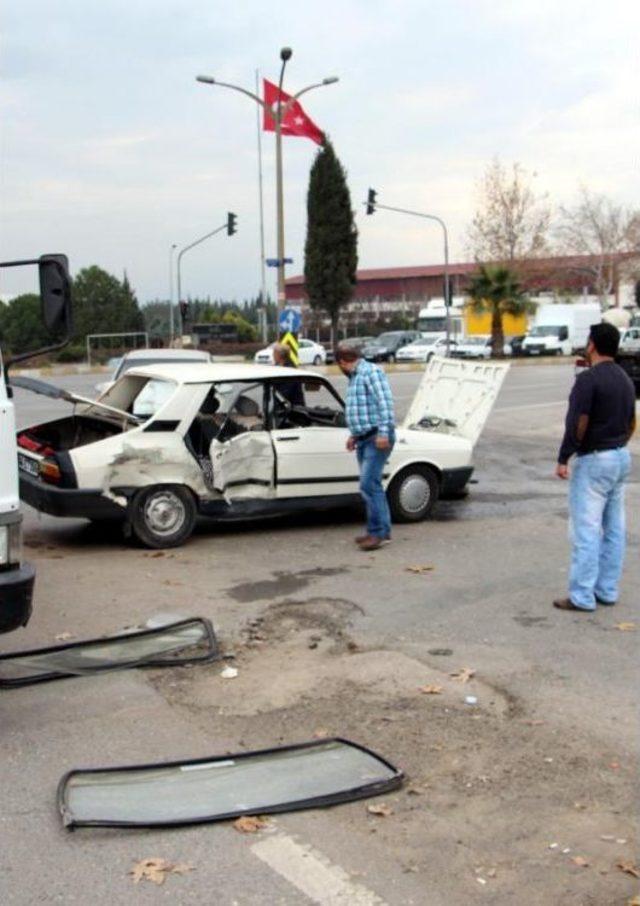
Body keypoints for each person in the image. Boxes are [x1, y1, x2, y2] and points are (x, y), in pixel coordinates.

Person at [553, 322, 635, 612]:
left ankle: (582, 596)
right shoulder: (625, 379)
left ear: (591, 346)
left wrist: (565, 457)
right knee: (614, 528)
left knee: (586, 531)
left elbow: (578, 421)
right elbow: (631, 422)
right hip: (620, 456)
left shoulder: (588, 380)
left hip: (595, 460)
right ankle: (607, 590)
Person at [336, 343, 396, 551]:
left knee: (368, 485)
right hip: (364, 438)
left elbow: (385, 403)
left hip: (376, 438)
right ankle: (381, 531)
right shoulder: (355, 377)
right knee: (373, 485)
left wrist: (383, 433)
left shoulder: (371, 372)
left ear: (343, 362)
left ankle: (377, 533)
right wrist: (354, 435)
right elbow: (362, 409)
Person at [273, 343, 304, 407]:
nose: (273, 355)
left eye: (274, 353)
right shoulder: (277, 368)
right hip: (283, 409)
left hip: (293, 411)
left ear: (279, 355)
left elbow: (284, 394)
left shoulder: (290, 372)